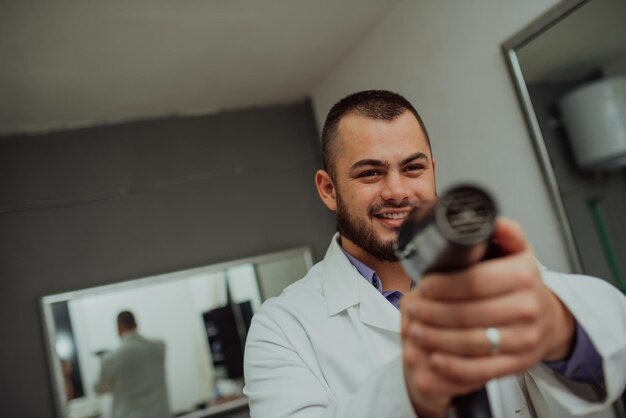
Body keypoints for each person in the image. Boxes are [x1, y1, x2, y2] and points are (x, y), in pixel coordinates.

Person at [243, 90, 626, 417]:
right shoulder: (281, 328)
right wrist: (409, 393)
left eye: (413, 168)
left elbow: (613, 329)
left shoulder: (485, 267)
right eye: (370, 173)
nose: (396, 190)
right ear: (328, 190)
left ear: (433, 172)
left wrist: (560, 326)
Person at [94, 310, 171, 418]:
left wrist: (102, 362)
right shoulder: (159, 346)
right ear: (136, 324)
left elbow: (100, 389)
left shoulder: (111, 359)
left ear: (119, 328)